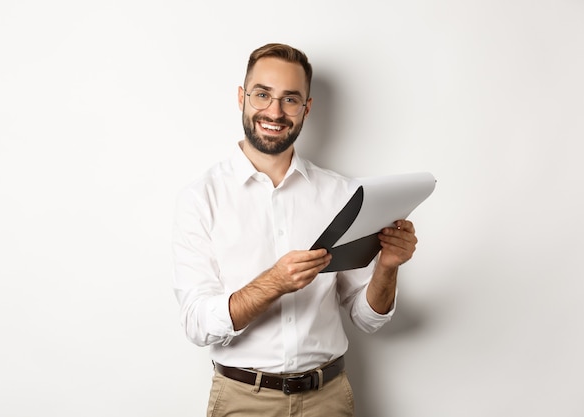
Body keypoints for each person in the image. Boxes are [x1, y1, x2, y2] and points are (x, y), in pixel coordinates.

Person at [172, 43, 418, 417]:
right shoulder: (201, 197)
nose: (274, 111)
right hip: (243, 401)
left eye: (290, 99)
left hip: (328, 399)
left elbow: (367, 318)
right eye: (262, 95)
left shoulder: (342, 194)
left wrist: (388, 266)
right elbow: (197, 324)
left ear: (307, 107)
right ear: (242, 97)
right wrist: (273, 282)